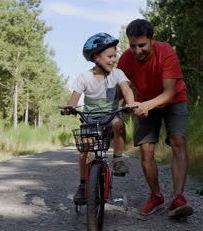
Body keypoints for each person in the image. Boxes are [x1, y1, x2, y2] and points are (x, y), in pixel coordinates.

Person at [117, 19, 193, 217]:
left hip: (174, 100)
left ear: (153, 39)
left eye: (142, 45)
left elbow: (169, 93)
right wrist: (118, 109)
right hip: (142, 101)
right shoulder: (125, 59)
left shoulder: (166, 52)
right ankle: (156, 196)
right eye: (132, 45)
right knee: (146, 149)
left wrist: (147, 106)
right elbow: (120, 91)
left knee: (178, 140)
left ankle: (178, 198)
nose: (137, 50)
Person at [62, 32, 135, 205]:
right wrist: (69, 107)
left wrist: (131, 104)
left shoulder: (117, 74)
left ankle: (117, 159)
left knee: (119, 125)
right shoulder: (84, 77)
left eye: (114, 56)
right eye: (109, 56)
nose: (113, 60)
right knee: (85, 148)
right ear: (96, 57)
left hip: (110, 115)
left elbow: (126, 90)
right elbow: (74, 98)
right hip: (90, 118)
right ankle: (82, 185)